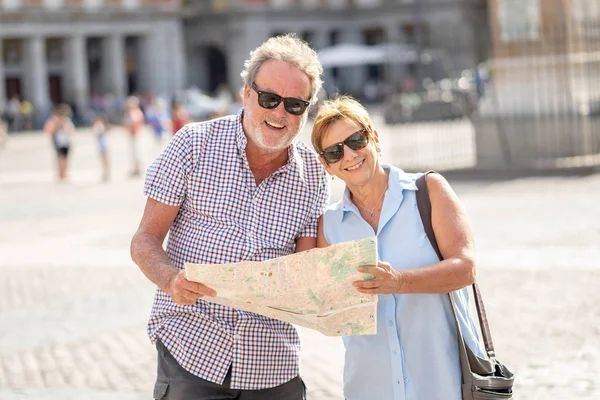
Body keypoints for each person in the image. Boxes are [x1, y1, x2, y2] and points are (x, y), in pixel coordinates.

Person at [130, 34, 329, 400]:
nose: (279, 113)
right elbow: (144, 241)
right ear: (246, 93)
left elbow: (306, 270)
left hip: (273, 364)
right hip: (191, 351)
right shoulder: (193, 144)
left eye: (295, 105)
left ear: (307, 110)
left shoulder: (314, 175)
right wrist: (171, 280)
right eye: (269, 98)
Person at [312, 96, 485, 400]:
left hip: (441, 383)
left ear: (374, 137)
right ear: (326, 165)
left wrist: (401, 282)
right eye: (335, 151)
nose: (350, 154)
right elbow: (327, 308)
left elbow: (465, 268)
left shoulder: (428, 191)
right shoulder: (328, 225)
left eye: (356, 139)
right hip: (369, 387)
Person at [44, 104, 75, 182]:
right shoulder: (55, 120)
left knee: (65, 159)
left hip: (66, 142)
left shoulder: (67, 121)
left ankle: (64, 173)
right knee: (60, 159)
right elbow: (49, 130)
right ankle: (60, 174)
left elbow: (70, 132)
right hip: (59, 142)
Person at [123, 96, 145, 177]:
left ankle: (138, 168)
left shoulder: (136, 112)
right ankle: (135, 168)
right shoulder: (129, 112)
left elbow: (133, 121)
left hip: (136, 135)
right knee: (132, 153)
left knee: (137, 153)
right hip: (131, 135)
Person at [92, 114, 110, 182]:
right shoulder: (99, 125)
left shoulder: (100, 125)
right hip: (101, 144)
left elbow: (98, 132)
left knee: (104, 159)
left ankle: (106, 172)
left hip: (103, 144)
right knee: (103, 159)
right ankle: (105, 172)